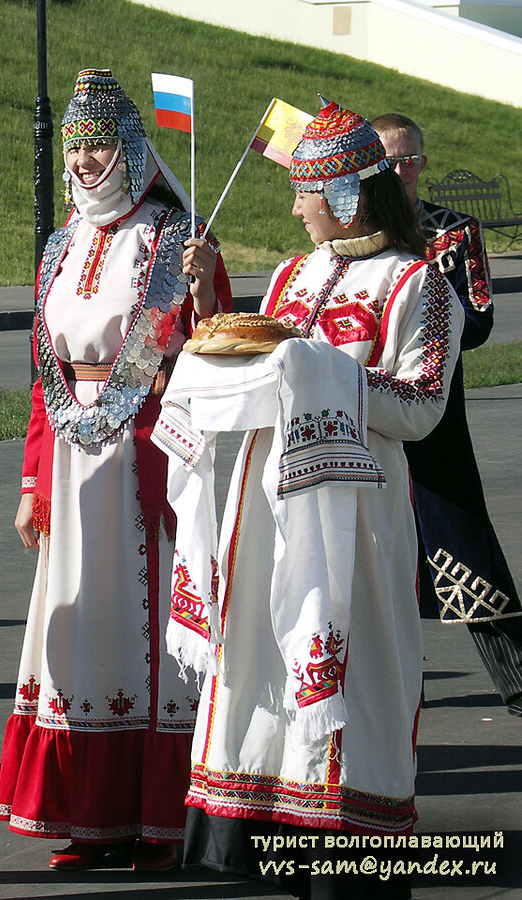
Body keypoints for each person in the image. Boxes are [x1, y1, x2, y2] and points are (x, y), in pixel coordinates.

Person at [168, 99, 461, 899]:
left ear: (344, 195)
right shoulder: (294, 275)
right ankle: (278, 837)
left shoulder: (418, 284)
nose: (295, 208)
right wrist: (210, 317)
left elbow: (421, 406)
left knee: (359, 669)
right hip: (269, 505)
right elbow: (262, 367)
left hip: (360, 518)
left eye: (305, 192)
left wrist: (322, 372)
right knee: (264, 656)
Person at [0, 68, 233, 873]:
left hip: (147, 455)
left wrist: (204, 291)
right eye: (75, 144)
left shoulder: (176, 239)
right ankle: (90, 814)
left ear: (131, 149)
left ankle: (159, 818)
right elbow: (43, 371)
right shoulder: (60, 244)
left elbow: (216, 345)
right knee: (83, 630)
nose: (86, 158)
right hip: (71, 455)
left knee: (150, 630)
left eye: (99, 143)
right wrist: (32, 481)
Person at [373, 113, 522, 715]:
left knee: (460, 534)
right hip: (370, 412)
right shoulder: (359, 236)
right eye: (390, 161)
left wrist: (429, 312)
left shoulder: (453, 233)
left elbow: (481, 319)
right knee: (371, 541)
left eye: (412, 160)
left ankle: (515, 676)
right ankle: (382, 678)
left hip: (435, 410)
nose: (403, 172)